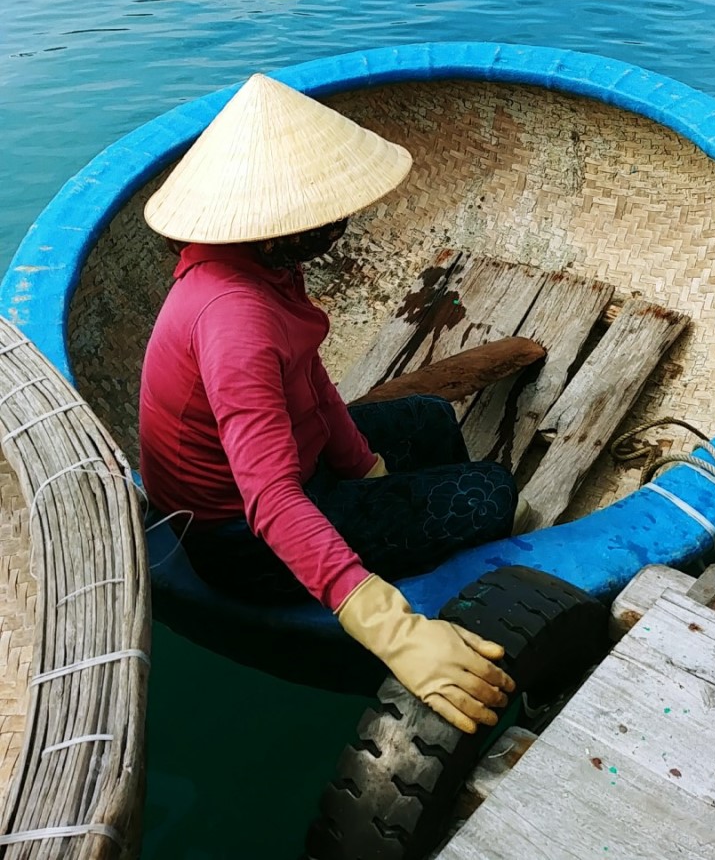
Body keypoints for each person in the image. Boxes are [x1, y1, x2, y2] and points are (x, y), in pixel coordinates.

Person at [140, 75, 529, 732]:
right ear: (275, 231)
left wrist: (362, 468)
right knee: (486, 494)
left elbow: (310, 381)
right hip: (242, 544)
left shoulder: (258, 269)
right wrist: (393, 628)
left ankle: (395, 529)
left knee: (430, 418)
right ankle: (420, 590)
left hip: (303, 467)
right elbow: (270, 501)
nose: (338, 223)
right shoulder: (234, 320)